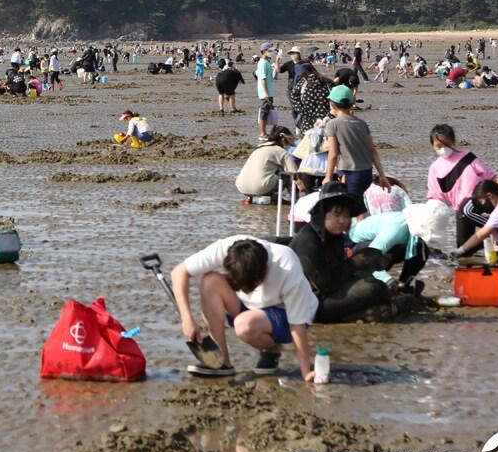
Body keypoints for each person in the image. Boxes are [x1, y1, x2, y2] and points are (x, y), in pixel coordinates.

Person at [170, 235, 317, 378]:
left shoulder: (286, 265)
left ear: (264, 271)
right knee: (209, 281)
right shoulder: (225, 250)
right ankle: (222, 362)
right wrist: (187, 319)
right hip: (249, 308)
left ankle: (272, 349)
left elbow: (297, 325)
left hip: (285, 312)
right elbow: (178, 273)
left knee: (243, 325)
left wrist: (306, 372)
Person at [289, 182, 403, 323]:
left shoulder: (334, 236)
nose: (342, 220)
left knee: (371, 258)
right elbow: (327, 286)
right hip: (311, 305)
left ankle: (363, 313)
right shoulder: (308, 241)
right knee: (374, 288)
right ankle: (371, 311)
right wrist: (354, 264)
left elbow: (339, 272)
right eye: (337, 215)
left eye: (347, 215)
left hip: (331, 293)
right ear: (323, 213)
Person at [425, 124, 498, 248]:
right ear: (432, 146)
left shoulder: (468, 157)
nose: (443, 148)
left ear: (453, 142)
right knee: (464, 248)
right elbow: (435, 197)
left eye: (446, 144)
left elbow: (491, 176)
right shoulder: (434, 169)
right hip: (461, 211)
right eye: (438, 146)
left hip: (482, 204)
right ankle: (487, 243)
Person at [349, 199, 453, 288]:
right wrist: (387, 280)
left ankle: (403, 285)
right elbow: (368, 259)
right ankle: (372, 282)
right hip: (357, 247)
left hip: (379, 246)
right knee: (384, 256)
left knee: (422, 250)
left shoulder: (410, 230)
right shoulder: (395, 229)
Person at [322, 85, 389, 196]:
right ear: (352, 103)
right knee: (359, 205)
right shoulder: (361, 123)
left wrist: (328, 177)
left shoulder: (332, 124)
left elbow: (333, 154)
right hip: (367, 173)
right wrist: (382, 175)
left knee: (352, 208)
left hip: (349, 173)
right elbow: (373, 151)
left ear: (332, 104)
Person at [234, 126, 294, 201]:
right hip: (260, 187)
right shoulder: (281, 151)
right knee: (286, 175)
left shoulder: (259, 148)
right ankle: (288, 198)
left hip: (241, 186)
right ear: (283, 139)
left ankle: (250, 197)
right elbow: (294, 173)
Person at [255, 42, 276, 139]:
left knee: (267, 112)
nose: (272, 52)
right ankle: (262, 133)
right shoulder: (263, 63)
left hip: (269, 92)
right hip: (265, 93)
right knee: (264, 112)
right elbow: (263, 79)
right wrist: (266, 94)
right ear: (263, 51)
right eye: (270, 50)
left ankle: (265, 132)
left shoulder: (266, 62)